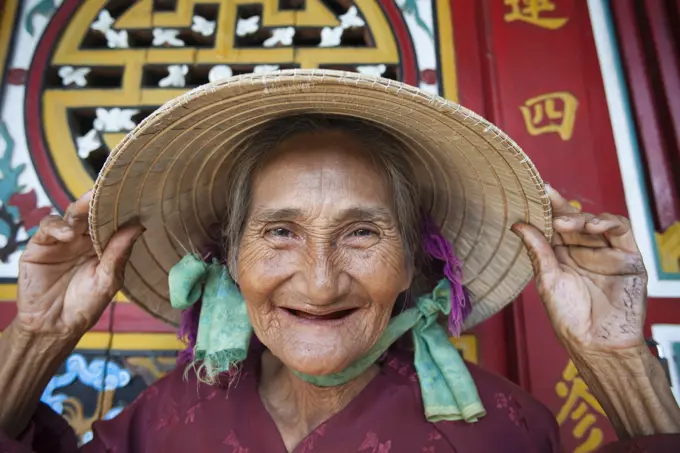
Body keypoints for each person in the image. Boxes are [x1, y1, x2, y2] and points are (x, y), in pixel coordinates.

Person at [0, 70, 679, 453]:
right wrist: (36, 336)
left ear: (416, 261)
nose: (321, 281)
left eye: (361, 233)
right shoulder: (167, 418)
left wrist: (616, 358)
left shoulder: (504, 431)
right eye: (279, 232)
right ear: (228, 259)